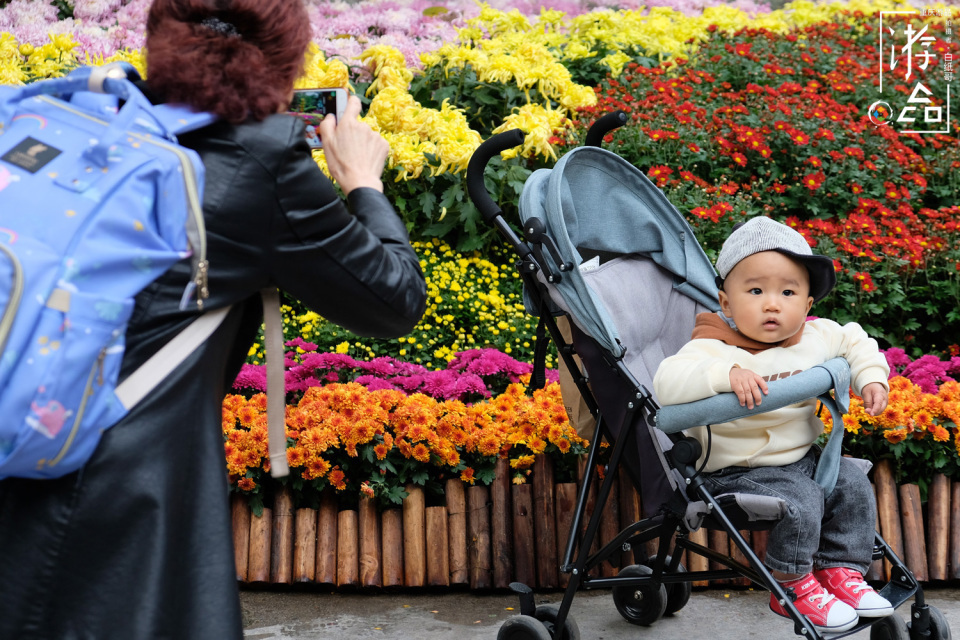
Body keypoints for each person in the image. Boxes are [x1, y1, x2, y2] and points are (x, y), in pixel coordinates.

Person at [0, 0, 427, 638]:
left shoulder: (105, 112)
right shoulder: (261, 157)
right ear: (285, 62)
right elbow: (392, 299)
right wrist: (362, 179)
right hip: (114, 493)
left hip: (26, 448)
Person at [652, 217, 892, 634]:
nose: (772, 304)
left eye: (787, 292)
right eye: (755, 290)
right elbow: (667, 382)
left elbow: (854, 340)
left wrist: (870, 377)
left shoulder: (816, 336)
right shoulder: (711, 345)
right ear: (726, 305)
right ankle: (792, 584)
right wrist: (724, 375)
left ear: (807, 305)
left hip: (799, 459)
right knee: (800, 498)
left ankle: (841, 572)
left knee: (851, 483)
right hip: (733, 472)